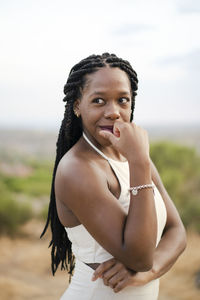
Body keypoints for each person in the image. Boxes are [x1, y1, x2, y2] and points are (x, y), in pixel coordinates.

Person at [41, 53, 186, 299]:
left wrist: (147, 274)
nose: (114, 112)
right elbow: (140, 257)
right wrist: (139, 162)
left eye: (122, 100)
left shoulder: (134, 156)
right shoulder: (78, 169)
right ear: (77, 105)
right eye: (98, 100)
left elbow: (177, 232)